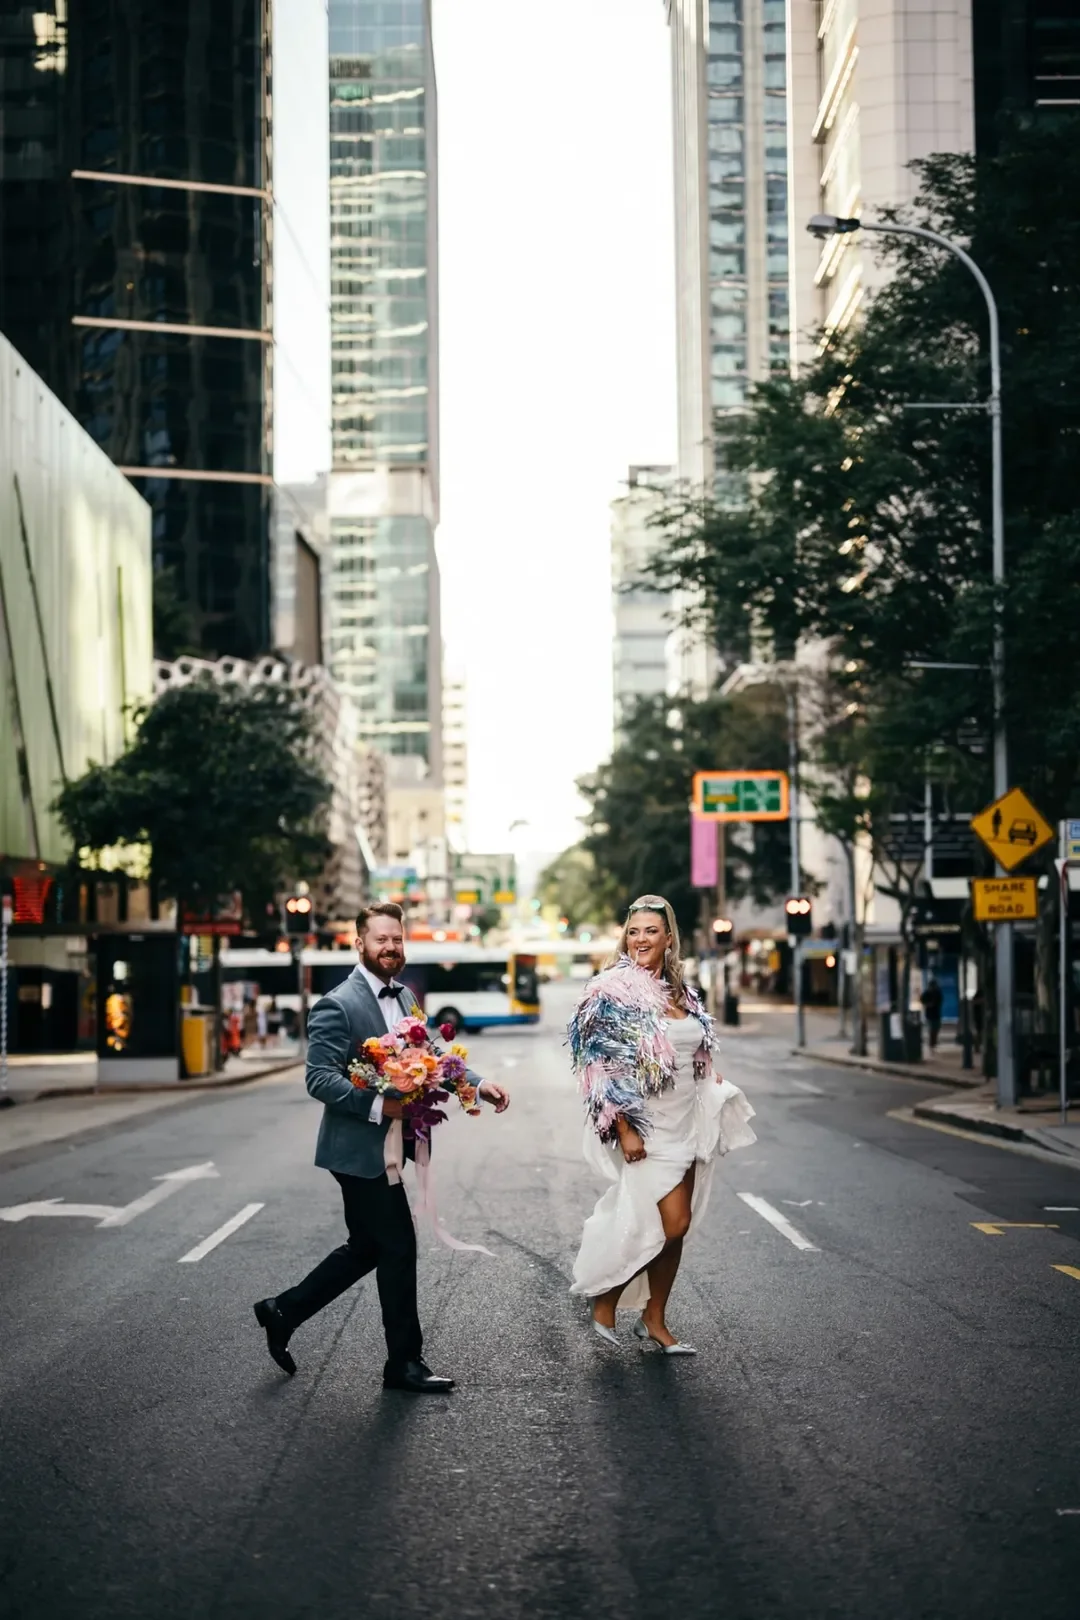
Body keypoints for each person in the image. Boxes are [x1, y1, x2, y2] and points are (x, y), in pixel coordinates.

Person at [253, 902, 511, 1394]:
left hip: (392, 1145)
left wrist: (478, 1085)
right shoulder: (338, 1003)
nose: (390, 948)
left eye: (396, 939)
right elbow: (318, 1078)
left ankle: (281, 1311)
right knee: (397, 1246)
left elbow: (435, 1054)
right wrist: (378, 1106)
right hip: (358, 1150)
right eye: (380, 940)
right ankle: (403, 1364)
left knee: (367, 1247)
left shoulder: (407, 997)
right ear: (360, 944)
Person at [569, 895, 756, 1354]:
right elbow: (597, 1063)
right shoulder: (610, 990)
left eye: (651, 931)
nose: (640, 940)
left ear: (668, 938)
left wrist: (708, 1075)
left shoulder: (682, 991)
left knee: (679, 1228)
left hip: (689, 1121)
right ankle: (606, 1296)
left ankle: (655, 1319)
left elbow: (695, 1049)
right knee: (669, 1223)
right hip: (648, 1125)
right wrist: (625, 1129)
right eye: (633, 932)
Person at [921, 973, 943, 1050]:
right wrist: (928, 1004)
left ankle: (934, 1041)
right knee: (931, 1028)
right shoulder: (926, 993)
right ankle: (932, 1042)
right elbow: (922, 1000)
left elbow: (940, 1001)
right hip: (930, 1014)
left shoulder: (937, 993)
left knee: (936, 1028)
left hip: (936, 1013)